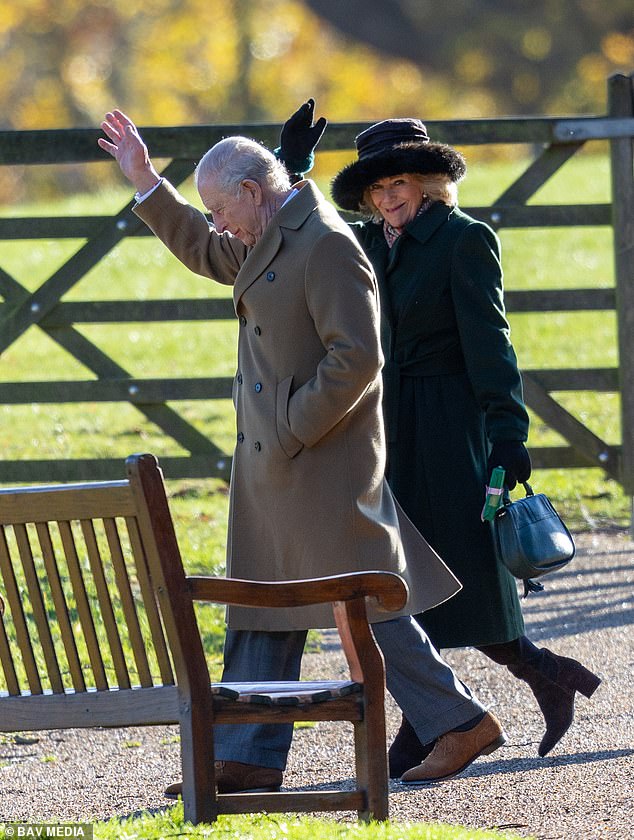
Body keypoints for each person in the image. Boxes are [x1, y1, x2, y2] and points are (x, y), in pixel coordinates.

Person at [98, 109, 507, 793]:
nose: (219, 223)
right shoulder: (268, 235)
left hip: (319, 459)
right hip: (282, 465)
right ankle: (250, 755)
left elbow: (358, 357)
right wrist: (146, 183)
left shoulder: (324, 243)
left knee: (366, 600)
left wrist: (290, 427)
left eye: (222, 208)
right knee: (267, 597)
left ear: (254, 193)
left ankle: (457, 720)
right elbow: (206, 251)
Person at [277, 103, 601, 780]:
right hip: (386, 424)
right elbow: (298, 232)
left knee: (453, 574)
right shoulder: (367, 244)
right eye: (377, 188)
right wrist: (294, 168)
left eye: (402, 182)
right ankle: (533, 679)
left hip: (453, 424)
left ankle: (446, 717)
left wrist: (508, 437)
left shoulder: (464, 240)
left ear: (428, 184)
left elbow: (492, 345)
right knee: (400, 578)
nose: (389, 196)